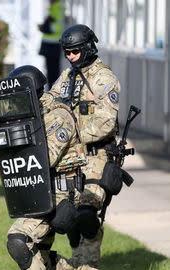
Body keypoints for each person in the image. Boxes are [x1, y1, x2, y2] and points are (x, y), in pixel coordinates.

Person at [0, 66, 97, 270]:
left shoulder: (57, 116)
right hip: (40, 190)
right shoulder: (27, 114)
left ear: (31, 92)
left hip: (61, 192)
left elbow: (45, 158)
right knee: (41, 257)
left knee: (19, 240)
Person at [44, 24, 121, 268]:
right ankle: (76, 260)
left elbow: (106, 123)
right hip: (69, 159)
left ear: (88, 48)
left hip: (96, 156)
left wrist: (73, 136)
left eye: (75, 51)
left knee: (88, 214)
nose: (70, 57)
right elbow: (52, 102)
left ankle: (88, 264)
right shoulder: (67, 77)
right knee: (67, 217)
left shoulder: (104, 78)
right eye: (67, 52)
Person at [38, 0, 63, 88]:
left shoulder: (58, 8)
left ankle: (54, 91)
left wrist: (44, 27)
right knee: (51, 71)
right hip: (50, 44)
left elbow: (58, 27)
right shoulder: (54, 8)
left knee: (53, 72)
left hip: (53, 45)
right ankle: (52, 90)